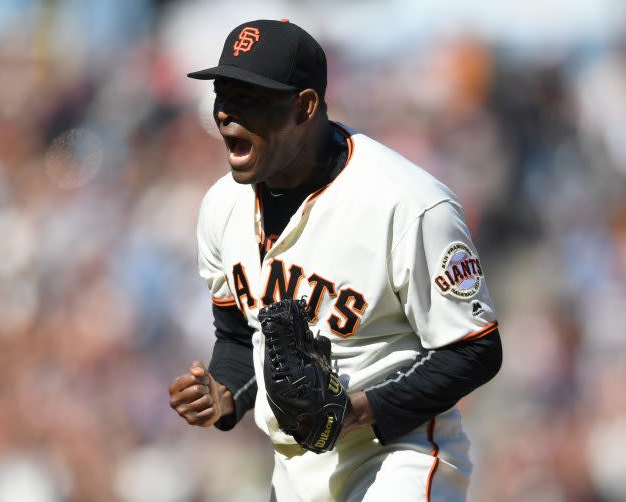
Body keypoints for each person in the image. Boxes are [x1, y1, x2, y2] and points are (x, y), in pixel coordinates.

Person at [168, 19, 503, 501]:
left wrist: (359, 409)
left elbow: (475, 349)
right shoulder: (221, 208)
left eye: (250, 98)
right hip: (294, 472)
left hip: (398, 454)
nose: (226, 113)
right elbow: (238, 337)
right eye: (224, 93)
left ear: (305, 106)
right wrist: (224, 396)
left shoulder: (407, 204)